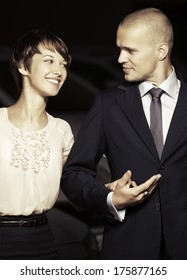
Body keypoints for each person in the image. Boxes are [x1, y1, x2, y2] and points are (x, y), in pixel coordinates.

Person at [62, 7, 187, 260]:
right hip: (128, 254)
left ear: (161, 51)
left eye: (130, 50)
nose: (120, 58)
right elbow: (73, 176)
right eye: (119, 48)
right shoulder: (108, 105)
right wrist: (110, 199)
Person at [0, 29, 74, 259]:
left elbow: (75, 190)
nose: (59, 71)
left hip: (43, 241)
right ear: (23, 65)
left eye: (63, 64)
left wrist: (109, 193)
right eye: (49, 60)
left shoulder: (61, 130)